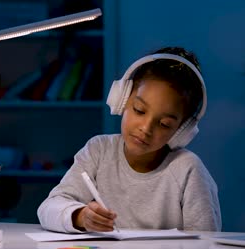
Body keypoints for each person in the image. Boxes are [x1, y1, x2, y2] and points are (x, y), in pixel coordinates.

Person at [37, 46, 222, 233]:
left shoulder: (188, 169)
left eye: (164, 124)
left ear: (183, 130)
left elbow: (205, 244)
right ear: (122, 98)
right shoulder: (98, 151)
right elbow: (48, 208)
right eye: (139, 110)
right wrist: (80, 216)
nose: (146, 128)